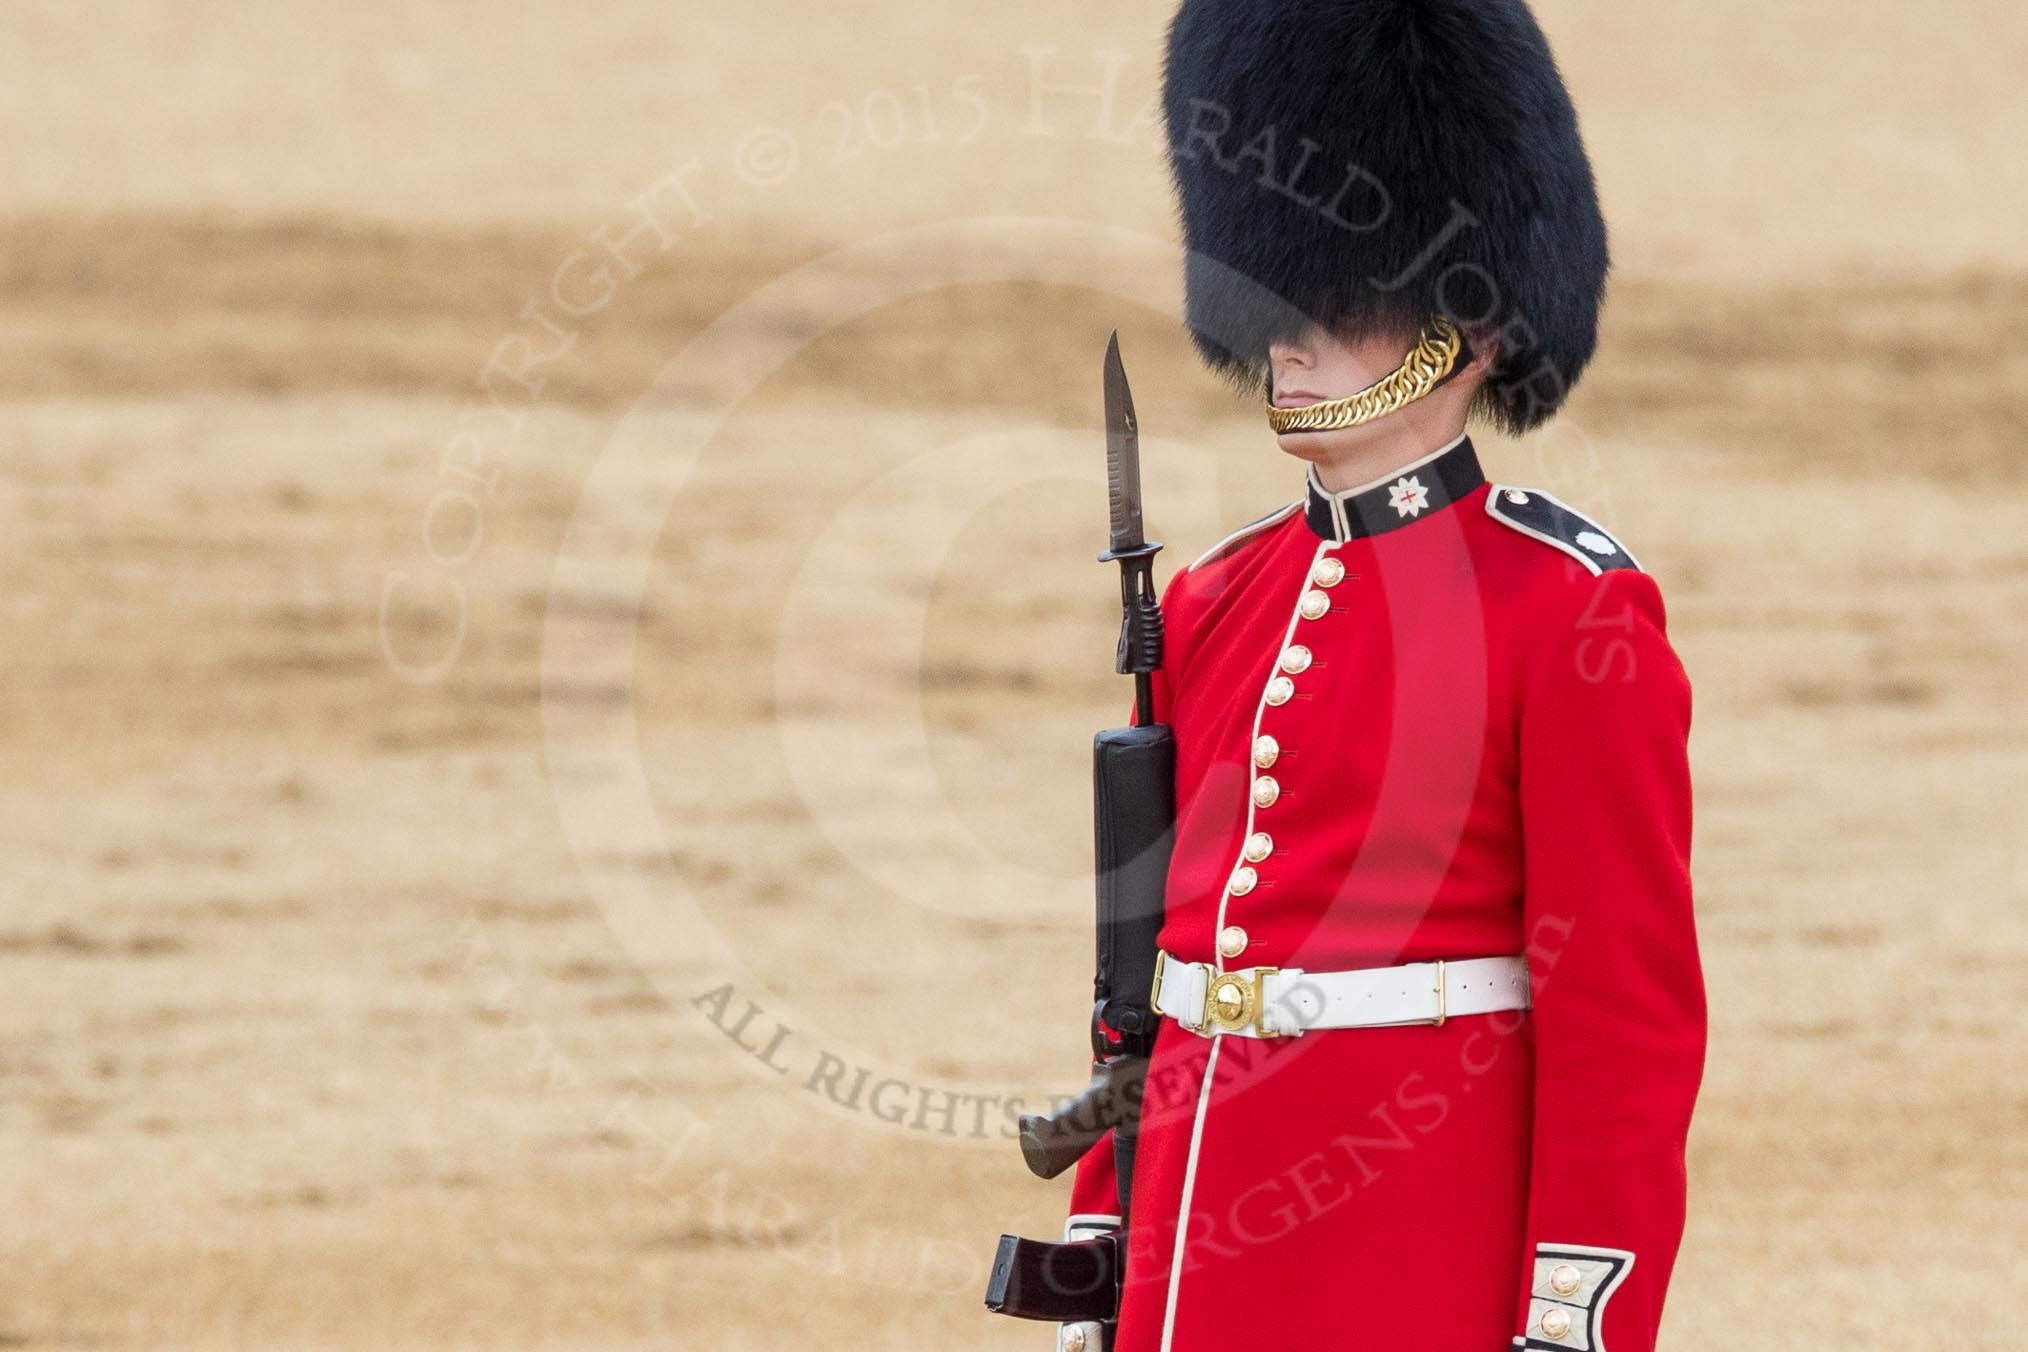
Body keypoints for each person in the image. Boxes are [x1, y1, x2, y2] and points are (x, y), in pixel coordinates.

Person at [1053, 3, 1707, 1351]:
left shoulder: (1567, 613)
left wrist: (1575, 1309)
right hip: (1193, 1249)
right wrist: (1108, 1234)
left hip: (1411, 1245)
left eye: (1336, 303)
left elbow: (1618, 1019)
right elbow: (1157, 980)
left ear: (1462, 327)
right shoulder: (1215, 601)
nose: (1286, 336)